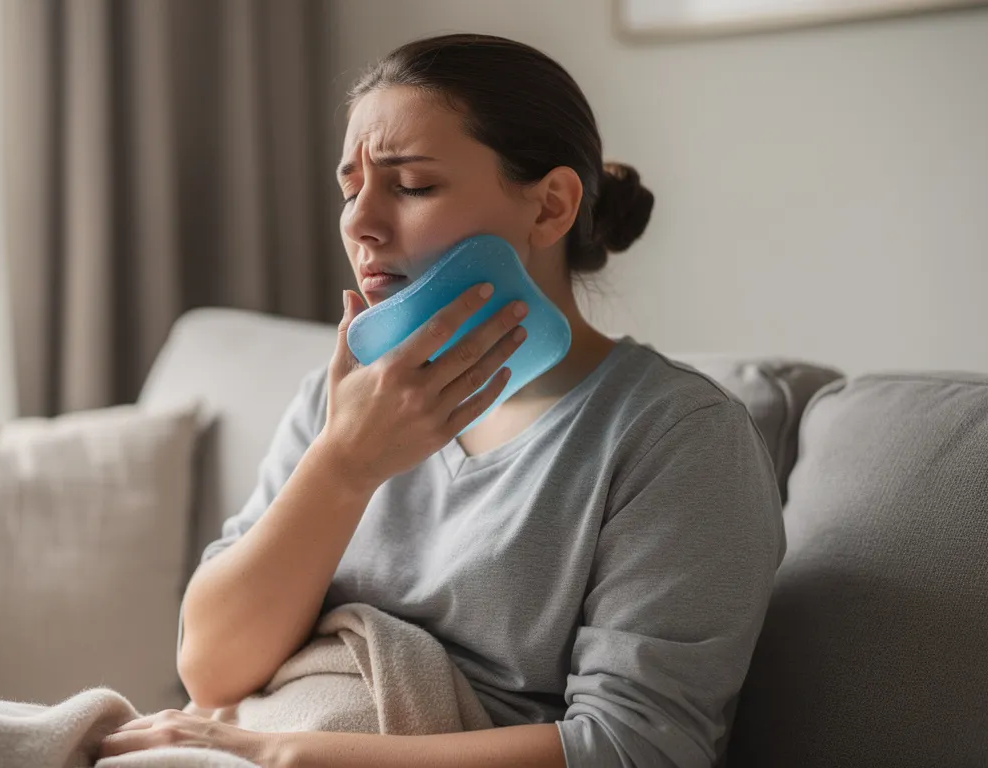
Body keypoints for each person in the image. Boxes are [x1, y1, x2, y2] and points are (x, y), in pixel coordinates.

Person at [101, 33, 784, 768]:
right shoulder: (341, 403)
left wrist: (279, 754)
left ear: (550, 207)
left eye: (412, 186)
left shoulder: (677, 436)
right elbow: (211, 670)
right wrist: (343, 465)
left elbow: (636, 749)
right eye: (350, 190)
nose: (359, 223)